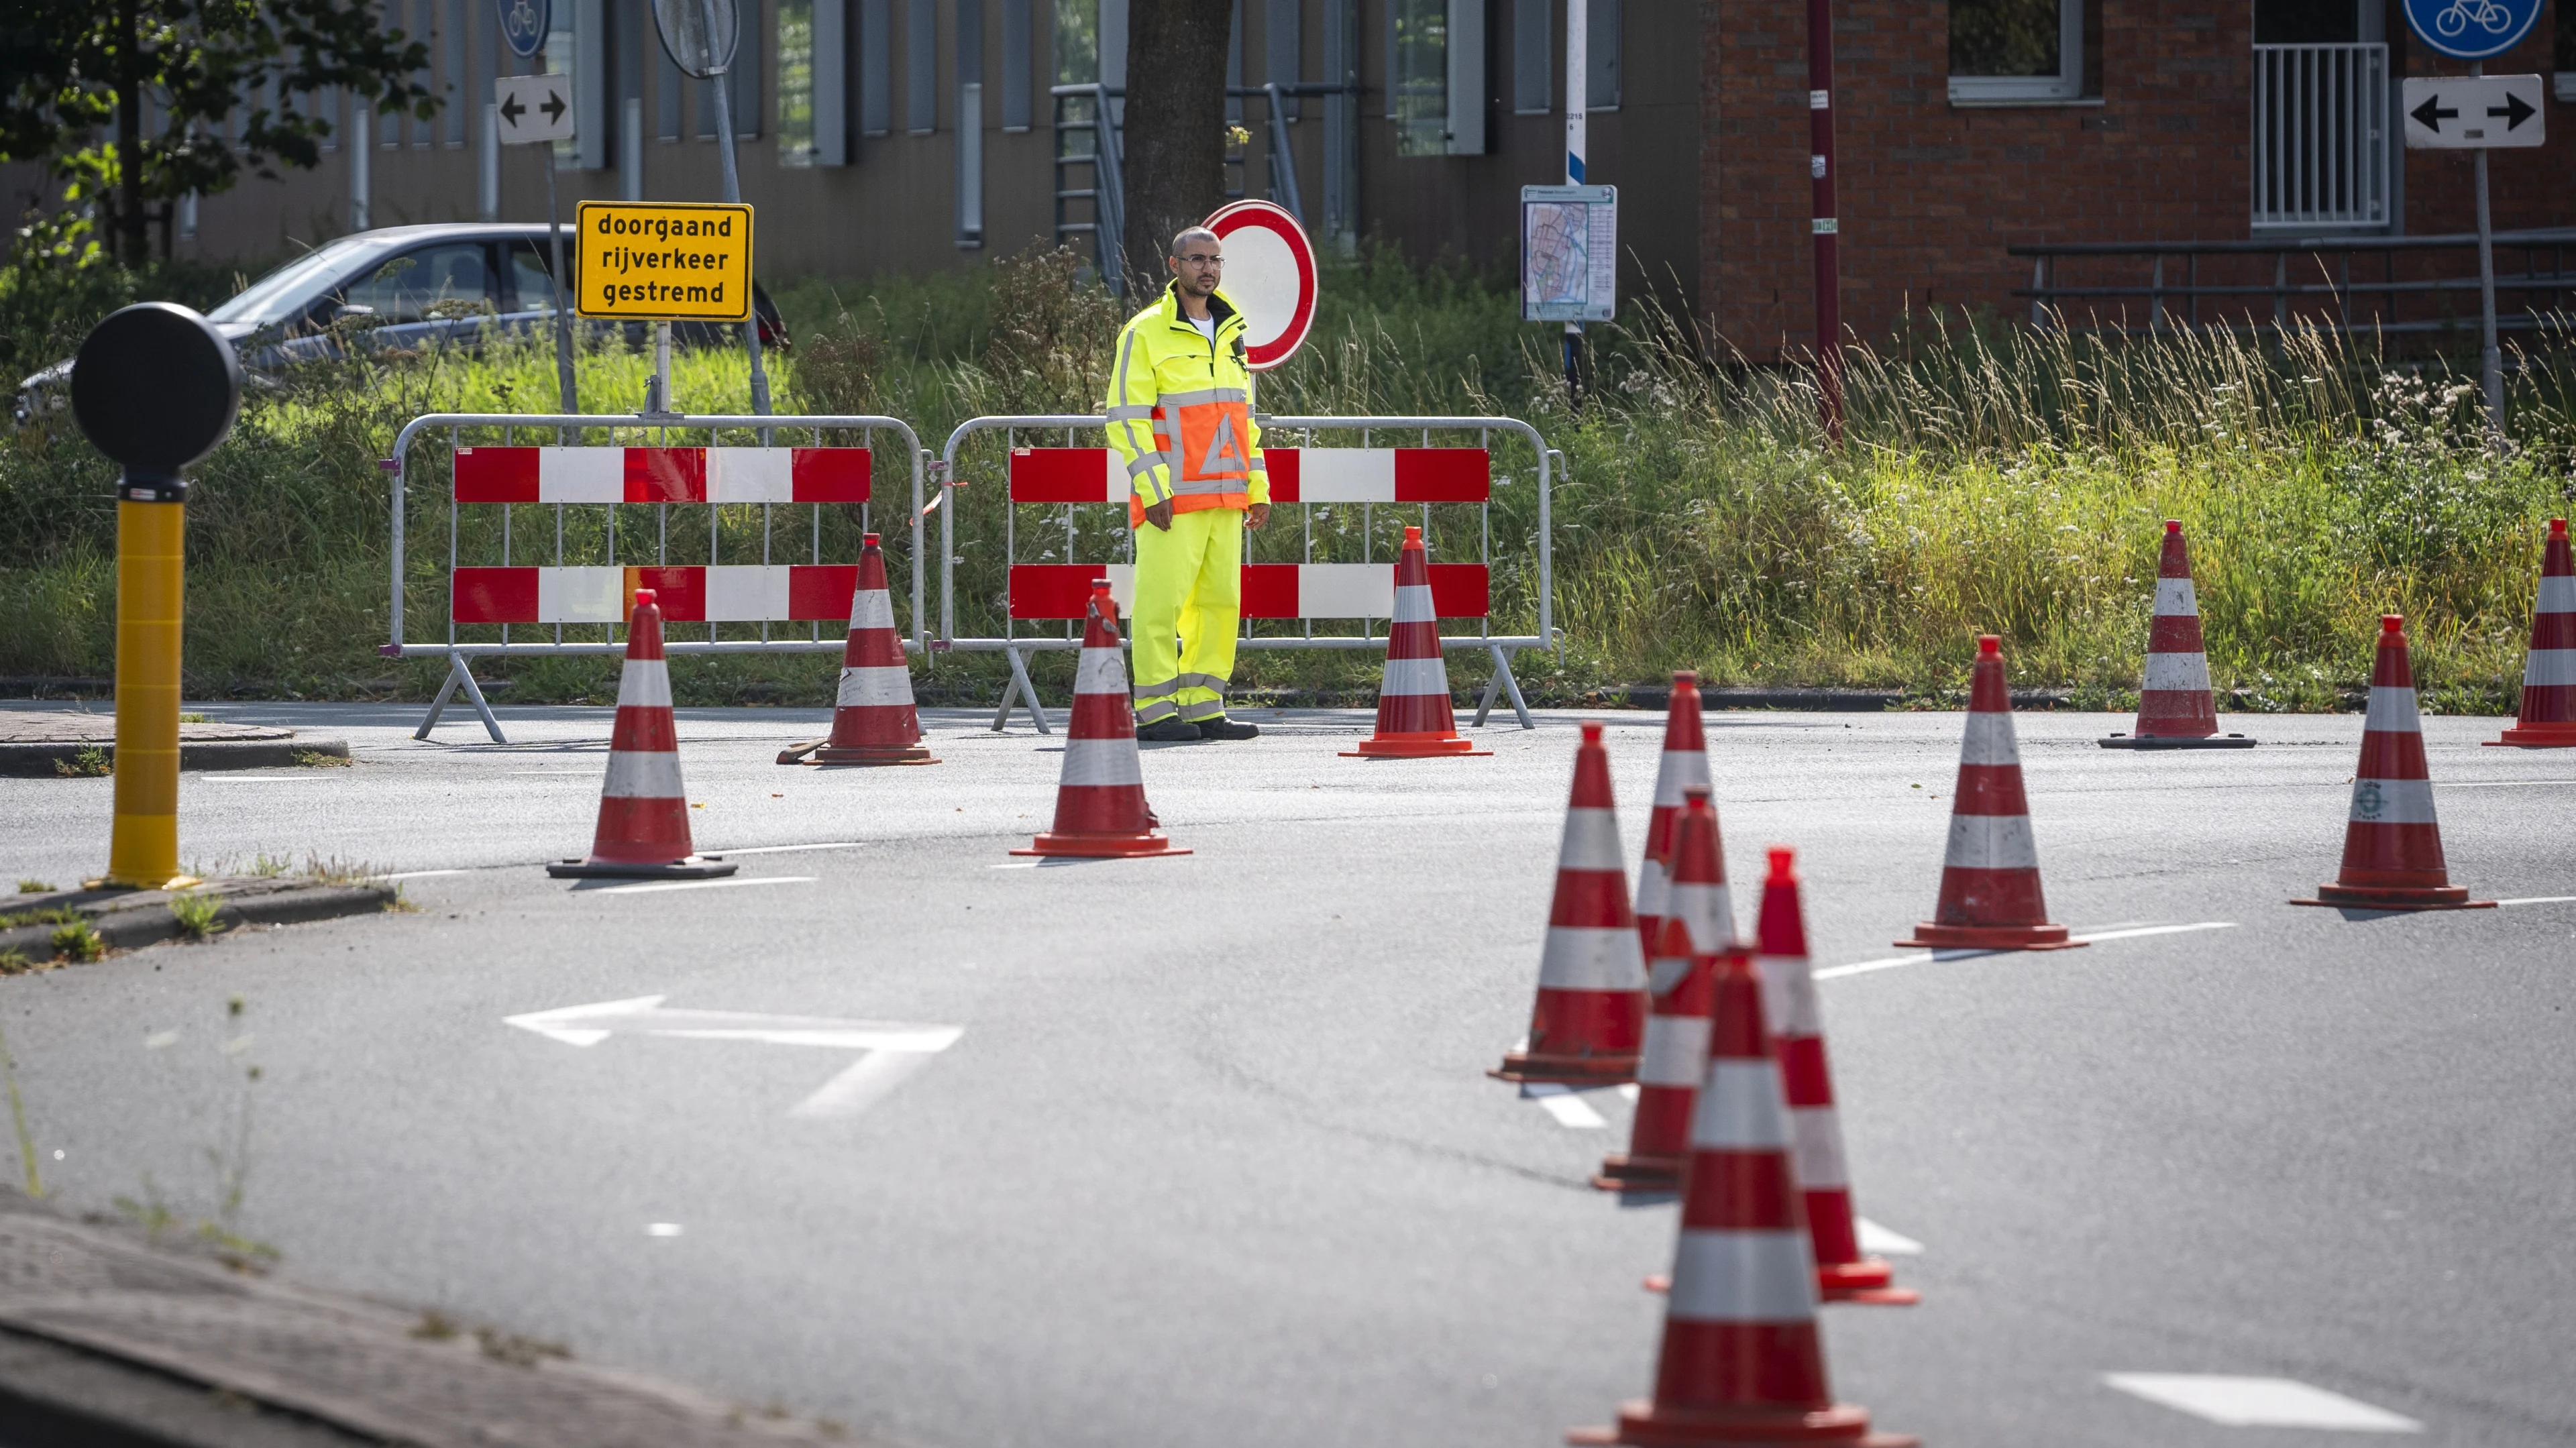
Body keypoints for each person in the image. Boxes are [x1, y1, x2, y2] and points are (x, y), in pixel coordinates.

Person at [1103, 226, 1270, 742]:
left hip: (1225, 498)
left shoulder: (1231, 331)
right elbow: (1125, 418)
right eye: (1197, 259)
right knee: (1161, 605)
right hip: (1171, 499)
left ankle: (1204, 706)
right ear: (1174, 266)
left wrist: (1257, 488)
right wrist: (1153, 491)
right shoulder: (1145, 331)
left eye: (1215, 261)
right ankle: (1156, 711)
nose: (1209, 269)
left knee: (1219, 605)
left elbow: (1245, 421)